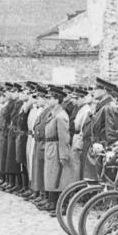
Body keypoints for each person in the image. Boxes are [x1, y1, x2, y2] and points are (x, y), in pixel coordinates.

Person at [42, 86, 71, 215]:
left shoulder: (60, 116)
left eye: (51, 98)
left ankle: (62, 205)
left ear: (57, 100)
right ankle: (53, 203)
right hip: (51, 146)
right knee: (52, 176)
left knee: (59, 177)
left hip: (57, 147)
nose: (48, 100)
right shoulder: (53, 113)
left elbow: (64, 138)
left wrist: (63, 155)